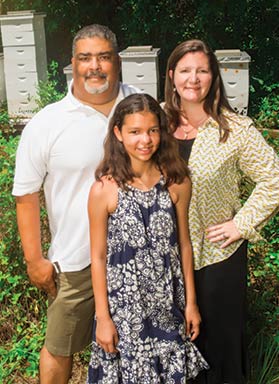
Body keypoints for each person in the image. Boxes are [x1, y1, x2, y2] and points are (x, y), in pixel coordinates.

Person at [12, 24, 140, 384]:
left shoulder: (141, 106)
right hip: (76, 260)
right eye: (85, 58)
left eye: (103, 57)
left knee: (140, 344)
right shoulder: (47, 123)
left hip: (140, 255)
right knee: (59, 347)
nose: (94, 66)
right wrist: (34, 259)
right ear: (72, 63)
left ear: (118, 61)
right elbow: (26, 194)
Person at [164, 39, 279, 384]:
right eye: (186, 70)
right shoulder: (155, 124)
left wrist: (241, 224)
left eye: (202, 70)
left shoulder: (233, 130)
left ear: (213, 77)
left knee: (218, 349)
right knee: (171, 350)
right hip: (162, 261)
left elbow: (276, 178)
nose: (194, 78)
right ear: (172, 75)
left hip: (216, 258)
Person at [86, 93, 209, 383]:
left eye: (153, 130)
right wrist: (102, 318)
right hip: (125, 311)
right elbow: (98, 256)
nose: (145, 140)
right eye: (135, 132)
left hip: (167, 304)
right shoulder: (104, 190)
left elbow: (184, 245)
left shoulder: (177, 182)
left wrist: (191, 302)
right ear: (118, 133)